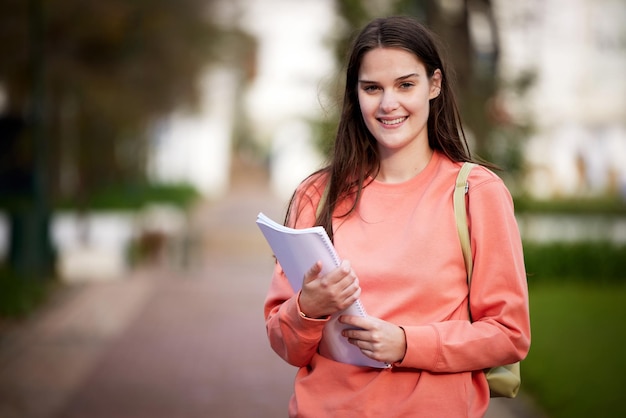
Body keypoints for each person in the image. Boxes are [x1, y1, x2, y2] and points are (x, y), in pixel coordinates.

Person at [264, 16, 530, 418]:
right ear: (356, 94)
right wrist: (309, 307)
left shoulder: (477, 192)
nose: (388, 104)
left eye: (406, 84)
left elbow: (509, 335)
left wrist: (407, 344)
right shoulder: (316, 195)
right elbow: (285, 344)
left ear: (434, 85)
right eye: (372, 88)